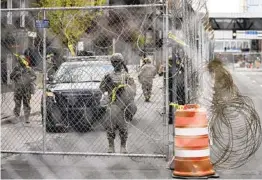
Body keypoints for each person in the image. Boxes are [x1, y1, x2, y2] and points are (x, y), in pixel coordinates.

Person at [100, 53, 137, 153]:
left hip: (124, 106)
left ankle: (123, 146)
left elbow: (133, 91)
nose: (116, 64)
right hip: (112, 105)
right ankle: (111, 146)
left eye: (118, 62)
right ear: (112, 63)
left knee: (123, 128)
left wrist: (124, 88)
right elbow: (102, 88)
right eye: (114, 62)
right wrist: (108, 87)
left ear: (122, 63)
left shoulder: (126, 76)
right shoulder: (108, 75)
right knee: (110, 127)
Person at [10, 54, 37, 124]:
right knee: (17, 104)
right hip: (18, 89)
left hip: (26, 90)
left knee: (27, 104)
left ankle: (27, 118)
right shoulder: (16, 68)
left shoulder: (28, 69)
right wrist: (16, 74)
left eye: (23, 60)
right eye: (21, 60)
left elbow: (34, 76)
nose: (22, 62)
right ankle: (16, 117)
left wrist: (29, 79)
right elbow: (11, 76)